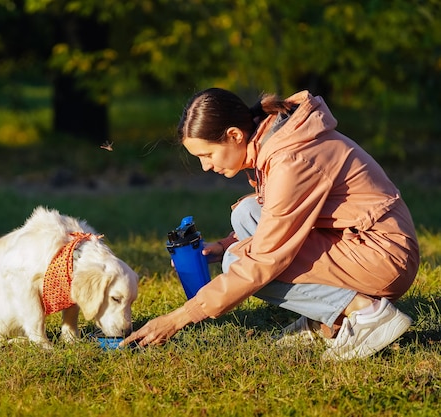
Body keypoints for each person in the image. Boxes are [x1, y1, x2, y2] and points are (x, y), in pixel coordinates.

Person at [121, 88, 420, 361]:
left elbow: (265, 259)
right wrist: (223, 245)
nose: (206, 166)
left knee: (239, 262)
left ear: (235, 135)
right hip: (362, 243)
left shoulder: (291, 158)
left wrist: (180, 317)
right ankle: (325, 318)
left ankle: (367, 313)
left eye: (207, 154)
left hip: (384, 257)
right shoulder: (277, 141)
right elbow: (282, 217)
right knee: (248, 212)